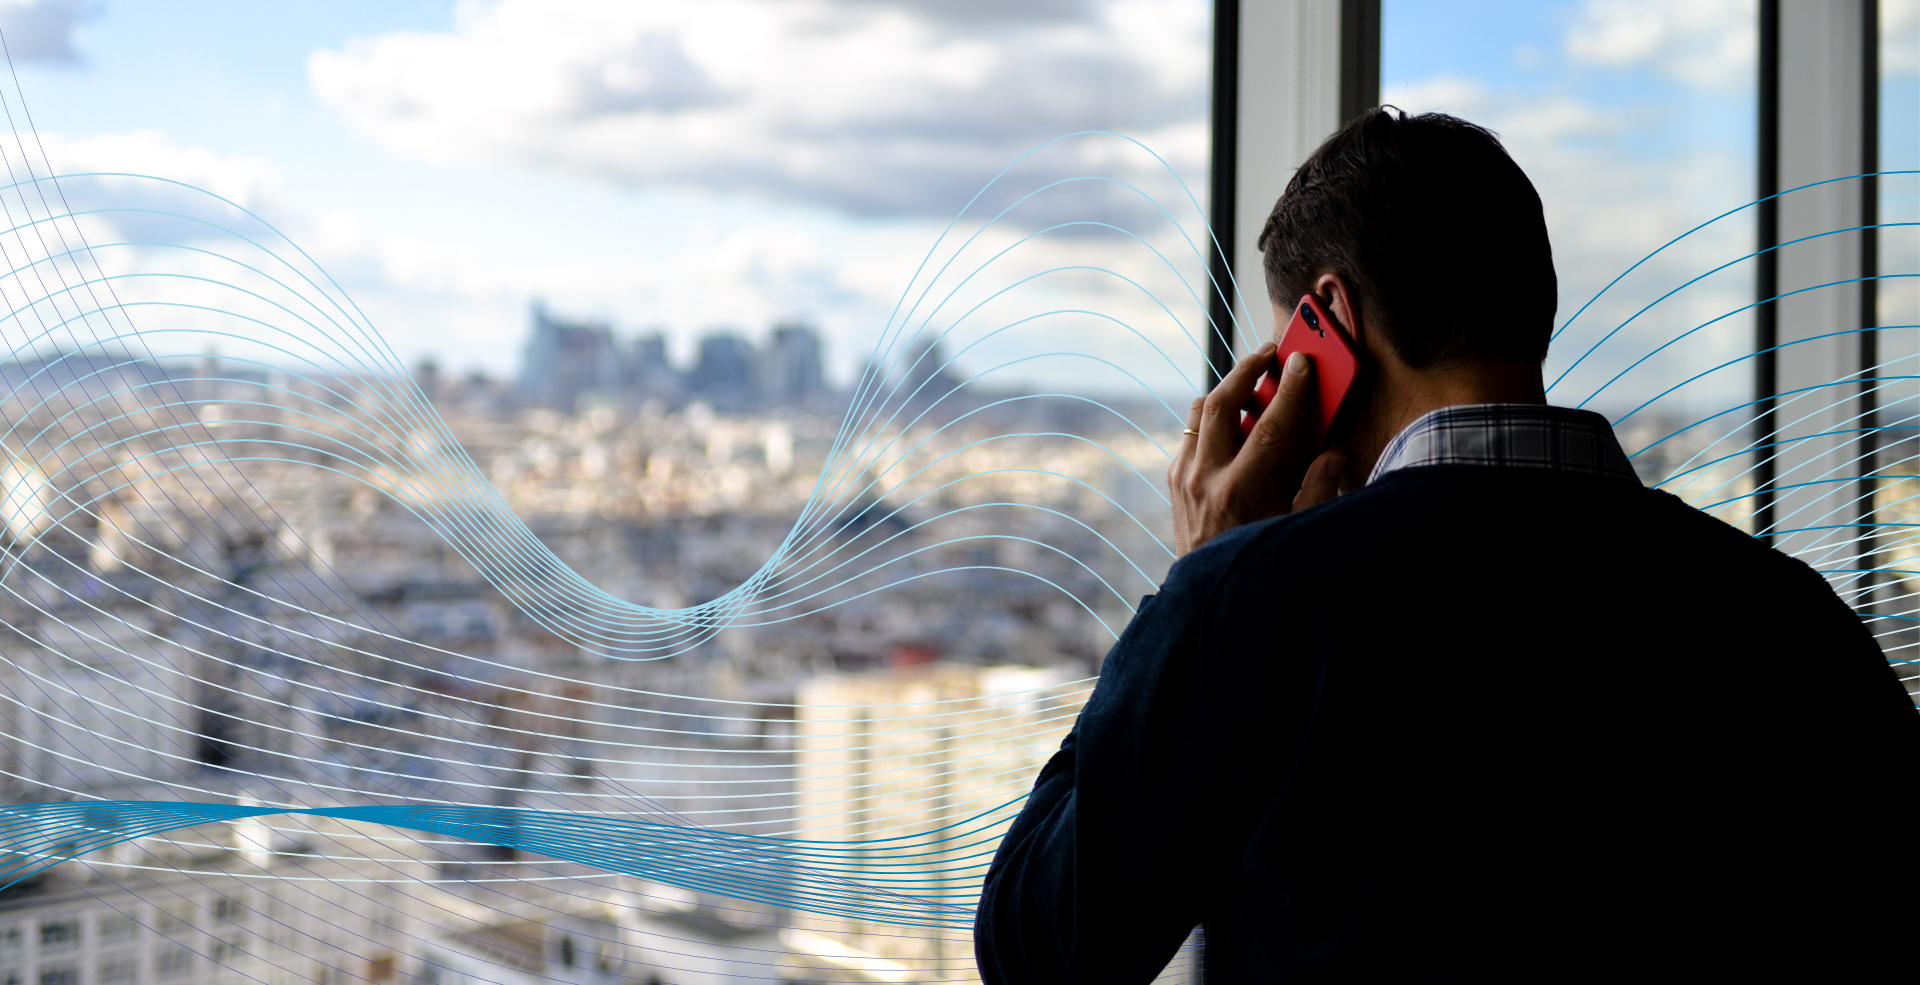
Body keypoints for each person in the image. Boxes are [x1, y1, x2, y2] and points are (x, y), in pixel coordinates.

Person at [973, 109, 1918, 983]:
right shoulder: (1791, 612)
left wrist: (1199, 580)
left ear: (1327, 321)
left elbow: (1036, 949)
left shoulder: (1263, 606)